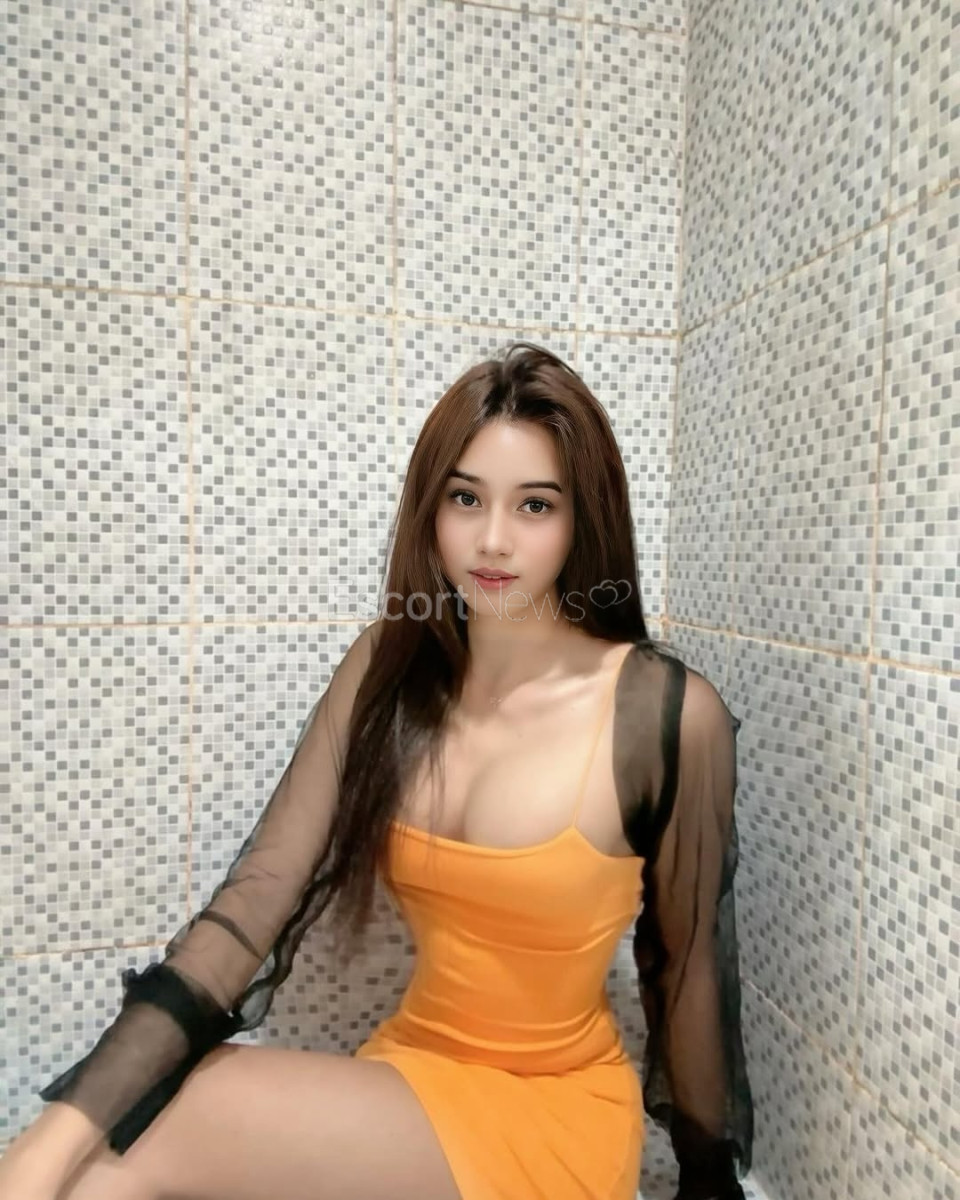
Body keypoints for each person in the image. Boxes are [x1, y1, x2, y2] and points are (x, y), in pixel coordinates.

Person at [0, 342, 754, 1200]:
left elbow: (685, 965)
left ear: (584, 518)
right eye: (465, 498)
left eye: (535, 505)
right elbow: (255, 901)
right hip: (406, 1073)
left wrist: (706, 1181)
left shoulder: (660, 715)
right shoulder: (388, 671)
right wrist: (46, 1146)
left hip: (549, 1116)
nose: (493, 539)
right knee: (99, 1150)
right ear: (430, 507)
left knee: (157, 1124)